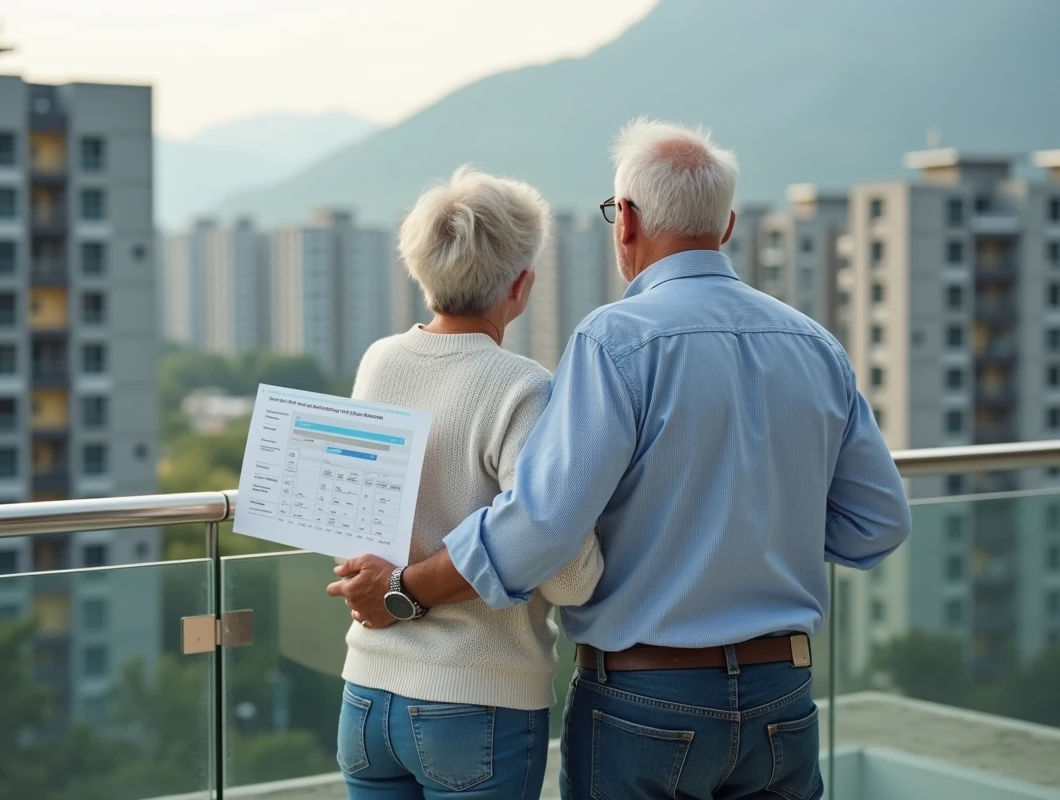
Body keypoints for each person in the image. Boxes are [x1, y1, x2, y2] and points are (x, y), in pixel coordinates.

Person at [329, 120, 912, 800]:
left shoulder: (615, 341)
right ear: (726, 227)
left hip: (644, 698)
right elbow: (879, 523)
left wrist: (408, 589)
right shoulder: (815, 345)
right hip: (781, 694)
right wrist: (757, 528)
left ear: (626, 220)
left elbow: (545, 528)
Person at [330, 166, 603, 799]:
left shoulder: (380, 361)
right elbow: (569, 576)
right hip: (480, 702)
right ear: (522, 284)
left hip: (367, 696)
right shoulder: (522, 387)